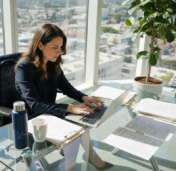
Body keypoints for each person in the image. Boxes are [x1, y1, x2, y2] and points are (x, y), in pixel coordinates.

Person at [15, 24, 113, 170]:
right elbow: (34, 104)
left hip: (51, 113)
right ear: (40, 45)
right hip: (33, 119)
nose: (59, 52)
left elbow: (66, 87)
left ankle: (90, 157)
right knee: (75, 128)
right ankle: (78, 164)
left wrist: (84, 97)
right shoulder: (24, 68)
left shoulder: (52, 63)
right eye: (55, 47)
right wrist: (70, 108)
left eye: (60, 47)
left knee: (82, 120)